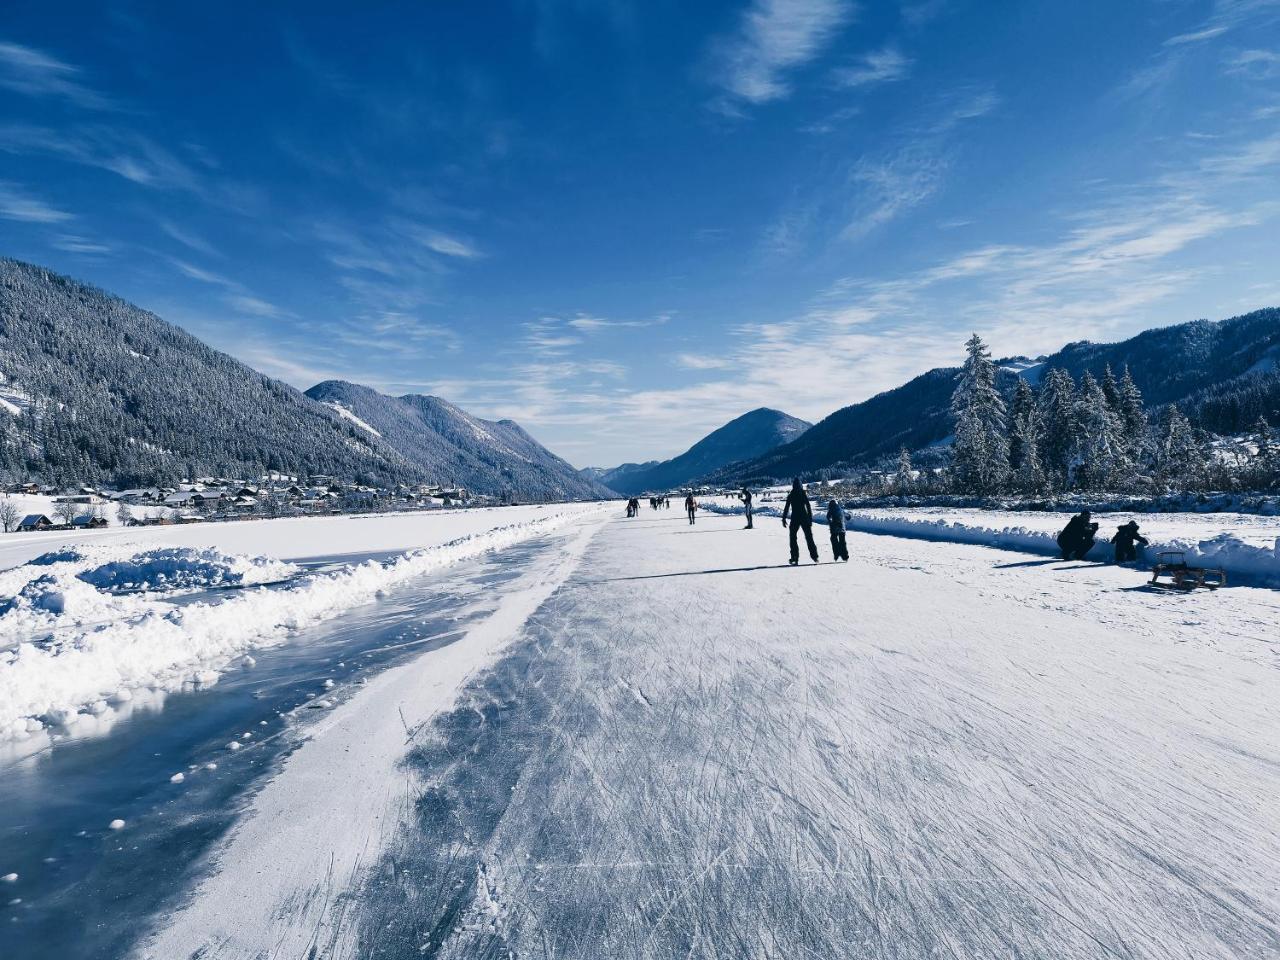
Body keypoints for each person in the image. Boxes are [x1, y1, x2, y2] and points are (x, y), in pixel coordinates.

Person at [781, 478, 819, 565]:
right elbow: (808, 507)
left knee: (793, 538)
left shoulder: (791, 495)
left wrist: (783, 518)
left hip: (795, 518)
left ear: (793, 486)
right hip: (804, 518)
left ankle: (794, 557)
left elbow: (786, 507)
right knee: (809, 538)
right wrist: (810, 519)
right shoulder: (803, 493)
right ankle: (815, 556)